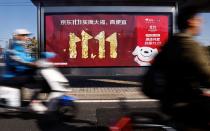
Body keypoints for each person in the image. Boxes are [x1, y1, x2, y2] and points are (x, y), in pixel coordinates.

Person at [143, 6, 210, 129]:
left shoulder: (171, 43)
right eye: (199, 20)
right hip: (185, 104)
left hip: (168, 102)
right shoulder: (188, 44)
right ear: (191, 21)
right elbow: (206, 74)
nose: (201, 24)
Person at [2, 28, 47, 113]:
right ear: (17, 36)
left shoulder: (20, 48)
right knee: (36, 80)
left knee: (38, 76)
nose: (26, 37)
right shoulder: (12, 49)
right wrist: (34, 64)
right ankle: (34, 103)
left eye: (27, 35)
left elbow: (28, 58)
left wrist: (42, 59)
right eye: (24, 35)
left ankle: (32, 102)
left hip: (17, 74)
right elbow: (21, 61)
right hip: (11, 76)